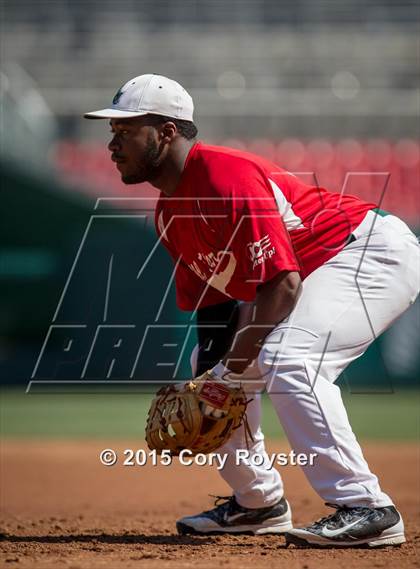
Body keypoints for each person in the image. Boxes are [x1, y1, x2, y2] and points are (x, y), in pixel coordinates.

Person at [84, 74, 419, 547]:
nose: (113, 144)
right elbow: (214, 310)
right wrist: (214, 378)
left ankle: (367, 506)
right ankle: (258, 503)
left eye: (126, 130)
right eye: (112, 132)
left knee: (289, 357)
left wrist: (229, 373)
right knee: (208, 371)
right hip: (313, 270)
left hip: (369, 251)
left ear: (167, 132)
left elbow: (283, 286)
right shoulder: (168, 213)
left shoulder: (225, 175)